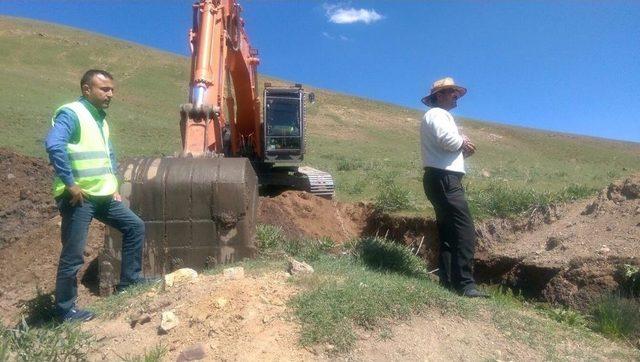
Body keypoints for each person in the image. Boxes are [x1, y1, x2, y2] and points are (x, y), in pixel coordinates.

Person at [45, 69, 146, 322]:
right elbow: (54, 145)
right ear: (86, 89)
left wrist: (112, 186)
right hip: (78, 198)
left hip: (102, 195)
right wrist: (70, 184)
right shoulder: (72, 113)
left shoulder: (101, 119)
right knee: (74, 253)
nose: (110, 94)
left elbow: (107, 155)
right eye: (104, 89)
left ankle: (129, 283)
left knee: (135, 226)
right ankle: (65, 310)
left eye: (112, 89)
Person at [420, 77, 488, 298]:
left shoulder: (434, 115)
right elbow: (448, 141)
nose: (456, 96)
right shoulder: (439, 114)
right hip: (445, 179)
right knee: (464, 230)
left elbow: (447, 145)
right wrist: (462, 141)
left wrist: (460, 145)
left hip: (438, 178)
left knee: (449, 231)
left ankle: (449, 282)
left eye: (456, 93)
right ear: (439, 96)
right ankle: (466, 285)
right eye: (451, 92)